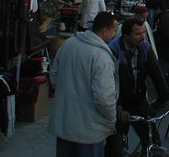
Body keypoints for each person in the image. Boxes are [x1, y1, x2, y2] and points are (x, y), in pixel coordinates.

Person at [48, 12, 119, 157]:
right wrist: (112, 119)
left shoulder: (69, 43)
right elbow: (104, 99)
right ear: (105, 31)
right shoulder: (102, 57)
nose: (115, 34)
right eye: (114, 30)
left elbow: (54, 76)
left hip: (65, 123)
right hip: (89, 130)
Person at [106, 18, 169, 156]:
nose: (142, 36)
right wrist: (118, 107)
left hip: (139, 100)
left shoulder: (145, 47)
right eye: (137, 34)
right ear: (126, 35)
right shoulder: (113, 50)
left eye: (143, 33)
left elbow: (156, 74)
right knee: (116, 145)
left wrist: (167, 98)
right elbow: (109, 82)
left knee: (152, 138)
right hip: (119, 104)